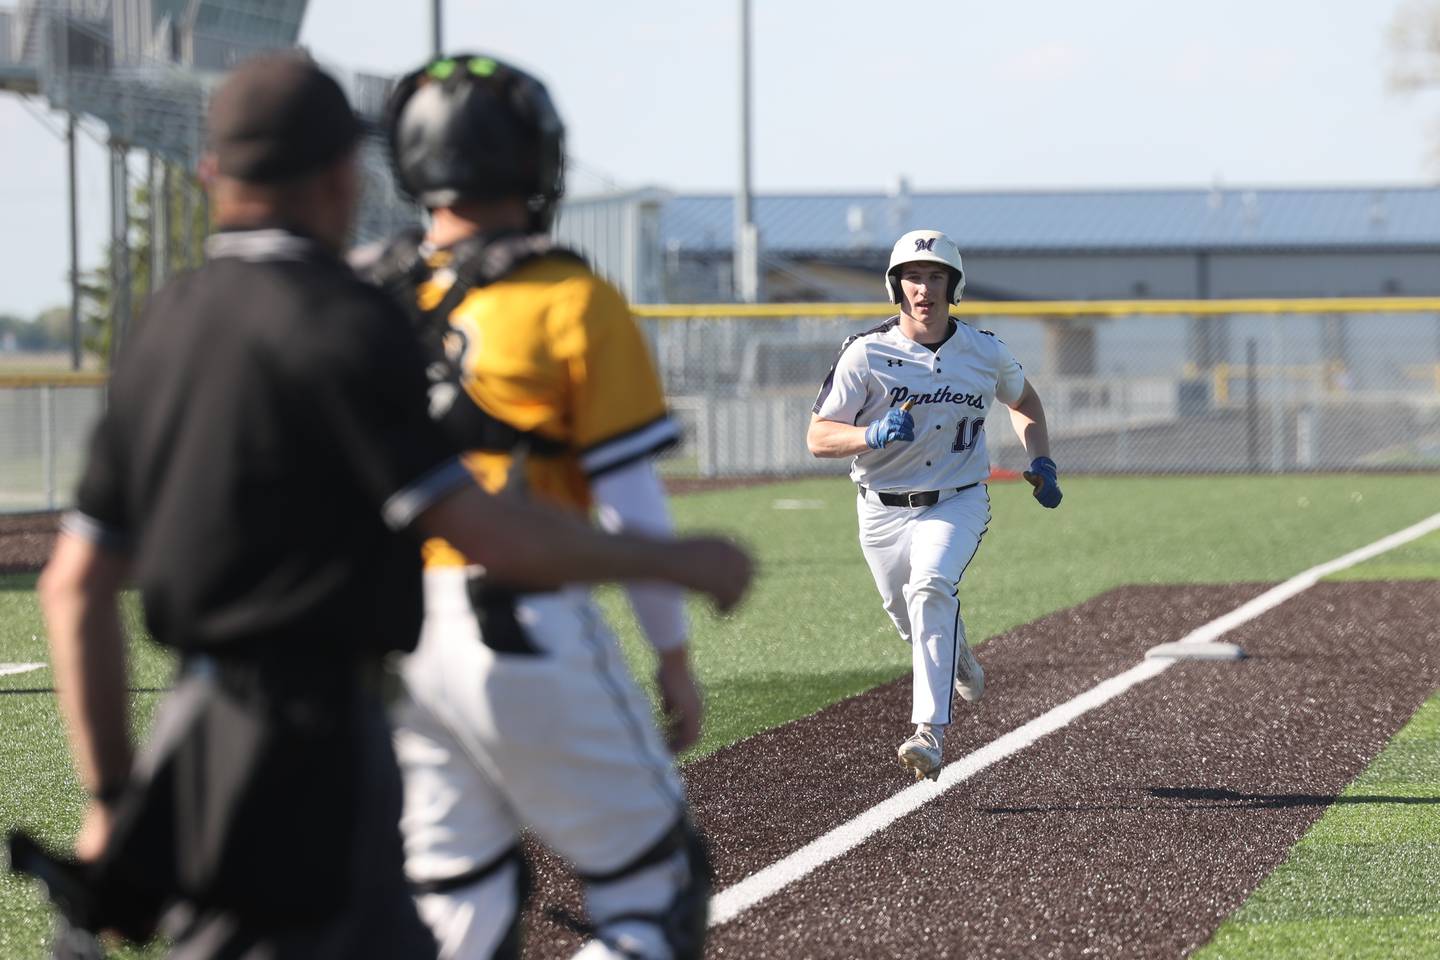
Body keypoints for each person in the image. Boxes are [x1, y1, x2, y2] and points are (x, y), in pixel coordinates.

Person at [35, 53, 750, 960]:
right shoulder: (529, 298)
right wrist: (676, 586)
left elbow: (80, 579)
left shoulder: (205, 314)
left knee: (452, 911)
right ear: (344, 172)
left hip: (326, 680)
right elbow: (539, 511)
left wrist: (107, 799)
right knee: (658, 890)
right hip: (470, 638)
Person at [359, 53, 716, 960]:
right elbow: (630, 498)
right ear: (534, 161)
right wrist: (672, 655)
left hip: (386, 639)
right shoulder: (571, 298)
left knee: (457, 910)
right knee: (658, 896)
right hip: (516, 622)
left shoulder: (364, 295)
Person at [806, 229, 1062, 782]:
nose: (924, 289)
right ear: (896, 287)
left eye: (936, 276)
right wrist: (870, 435)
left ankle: (929, 733)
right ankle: (960, 655)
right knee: (905, 613)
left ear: (955, 285)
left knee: (929, 587)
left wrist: (1040, 458)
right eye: (913, 277)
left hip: (956, 500)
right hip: (880, 508)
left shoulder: (984, 349)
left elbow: (1024, 400)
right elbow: (819, 436)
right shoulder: (866, 352)